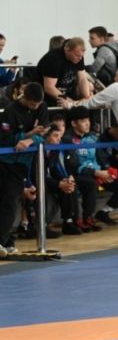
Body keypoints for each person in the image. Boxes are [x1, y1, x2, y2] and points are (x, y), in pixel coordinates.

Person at [0, 81, 48, 257]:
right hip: (4, 161)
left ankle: (4, 240)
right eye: (33, 104)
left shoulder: (41, 107)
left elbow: (44, 133)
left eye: (38, 104)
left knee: (10, 200)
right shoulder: (10, 112)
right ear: (24, 98)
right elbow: (6, 139)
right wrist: (29, 133)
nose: (36, 107)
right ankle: (6, 240)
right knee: (4, 201)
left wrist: (30, 139)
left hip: (22, 164)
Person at [38, 37, 92, 107]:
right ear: (67, 49)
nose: (79, 58)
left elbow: (82, 79)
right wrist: (71, 103)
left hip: (69, 95)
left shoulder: (79, 57)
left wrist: (87, 98)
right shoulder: (53, 58)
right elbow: (49, 88)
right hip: (51, 98)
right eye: (76, 55)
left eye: (81, 56)